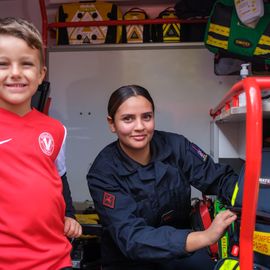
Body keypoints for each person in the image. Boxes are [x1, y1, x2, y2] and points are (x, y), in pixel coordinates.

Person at [87, 85, 238, 270]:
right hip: (130, 261)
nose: (140, 127)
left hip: (181, 253)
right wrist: (206, 237)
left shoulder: (176, 146)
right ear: (112, 124)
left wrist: (254, 202)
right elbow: (133, 238)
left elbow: (219, 178)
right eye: (128, 119)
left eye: (147, 117)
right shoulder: (103, 172)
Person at [0, 17, 81, 269]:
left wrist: (69, 215)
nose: (15, 73)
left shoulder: (56, 130)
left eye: (26, 64)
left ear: (40, 75)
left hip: (55, 260)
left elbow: (59, 178)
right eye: (3, 64)